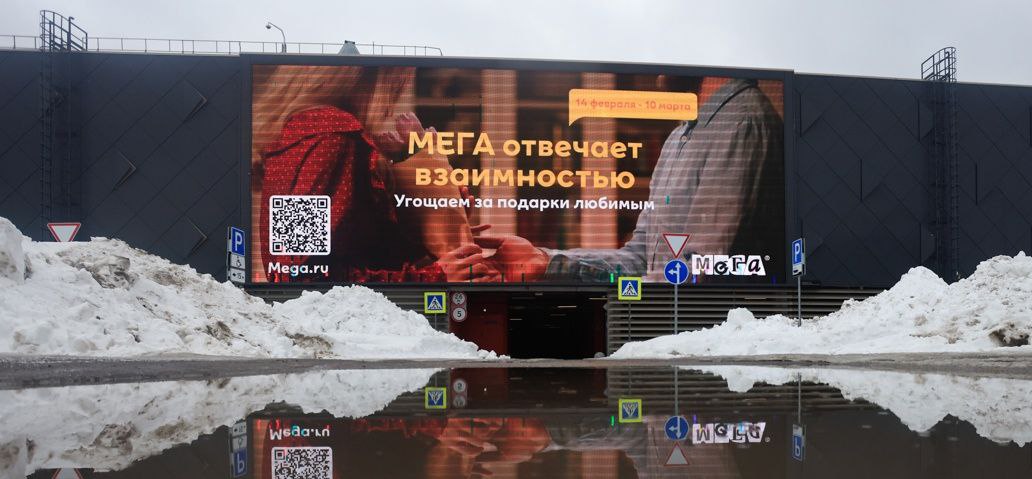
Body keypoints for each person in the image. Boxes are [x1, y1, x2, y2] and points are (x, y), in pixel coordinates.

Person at [476, 76, 784, 282]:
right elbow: (640, 260)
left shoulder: (741, 122)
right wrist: (546, 261)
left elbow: (699, 271)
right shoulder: (681, 134)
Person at [253, 65, 499, 283]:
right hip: (356, 328)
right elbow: (300, 274)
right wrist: (434, 276)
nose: (393, 101)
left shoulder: (302, 134)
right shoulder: (332, 135)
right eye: (396, 84)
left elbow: (331, 256)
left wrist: (429, 225)